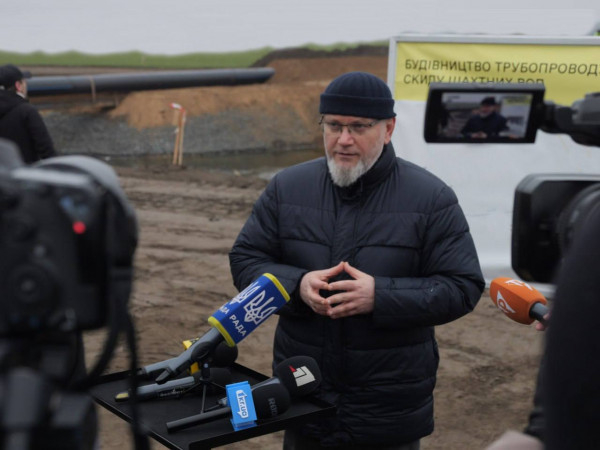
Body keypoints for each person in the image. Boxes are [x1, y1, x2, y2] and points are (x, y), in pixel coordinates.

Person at [229, 71, 485, 449]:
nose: (344, 140)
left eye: (359, 127)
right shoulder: (287, 187)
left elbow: (462, 287)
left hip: (387, 414)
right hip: (303, 402)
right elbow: (246, 259)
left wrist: (378, 296)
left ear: (389, 128)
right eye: (334, 125)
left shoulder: (431, 198)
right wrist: (297, 286)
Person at [0, 64, 56, 163]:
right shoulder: (27, 111)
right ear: (18, 85)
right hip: (24, 175)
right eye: (24, 82)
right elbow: (47, 151)